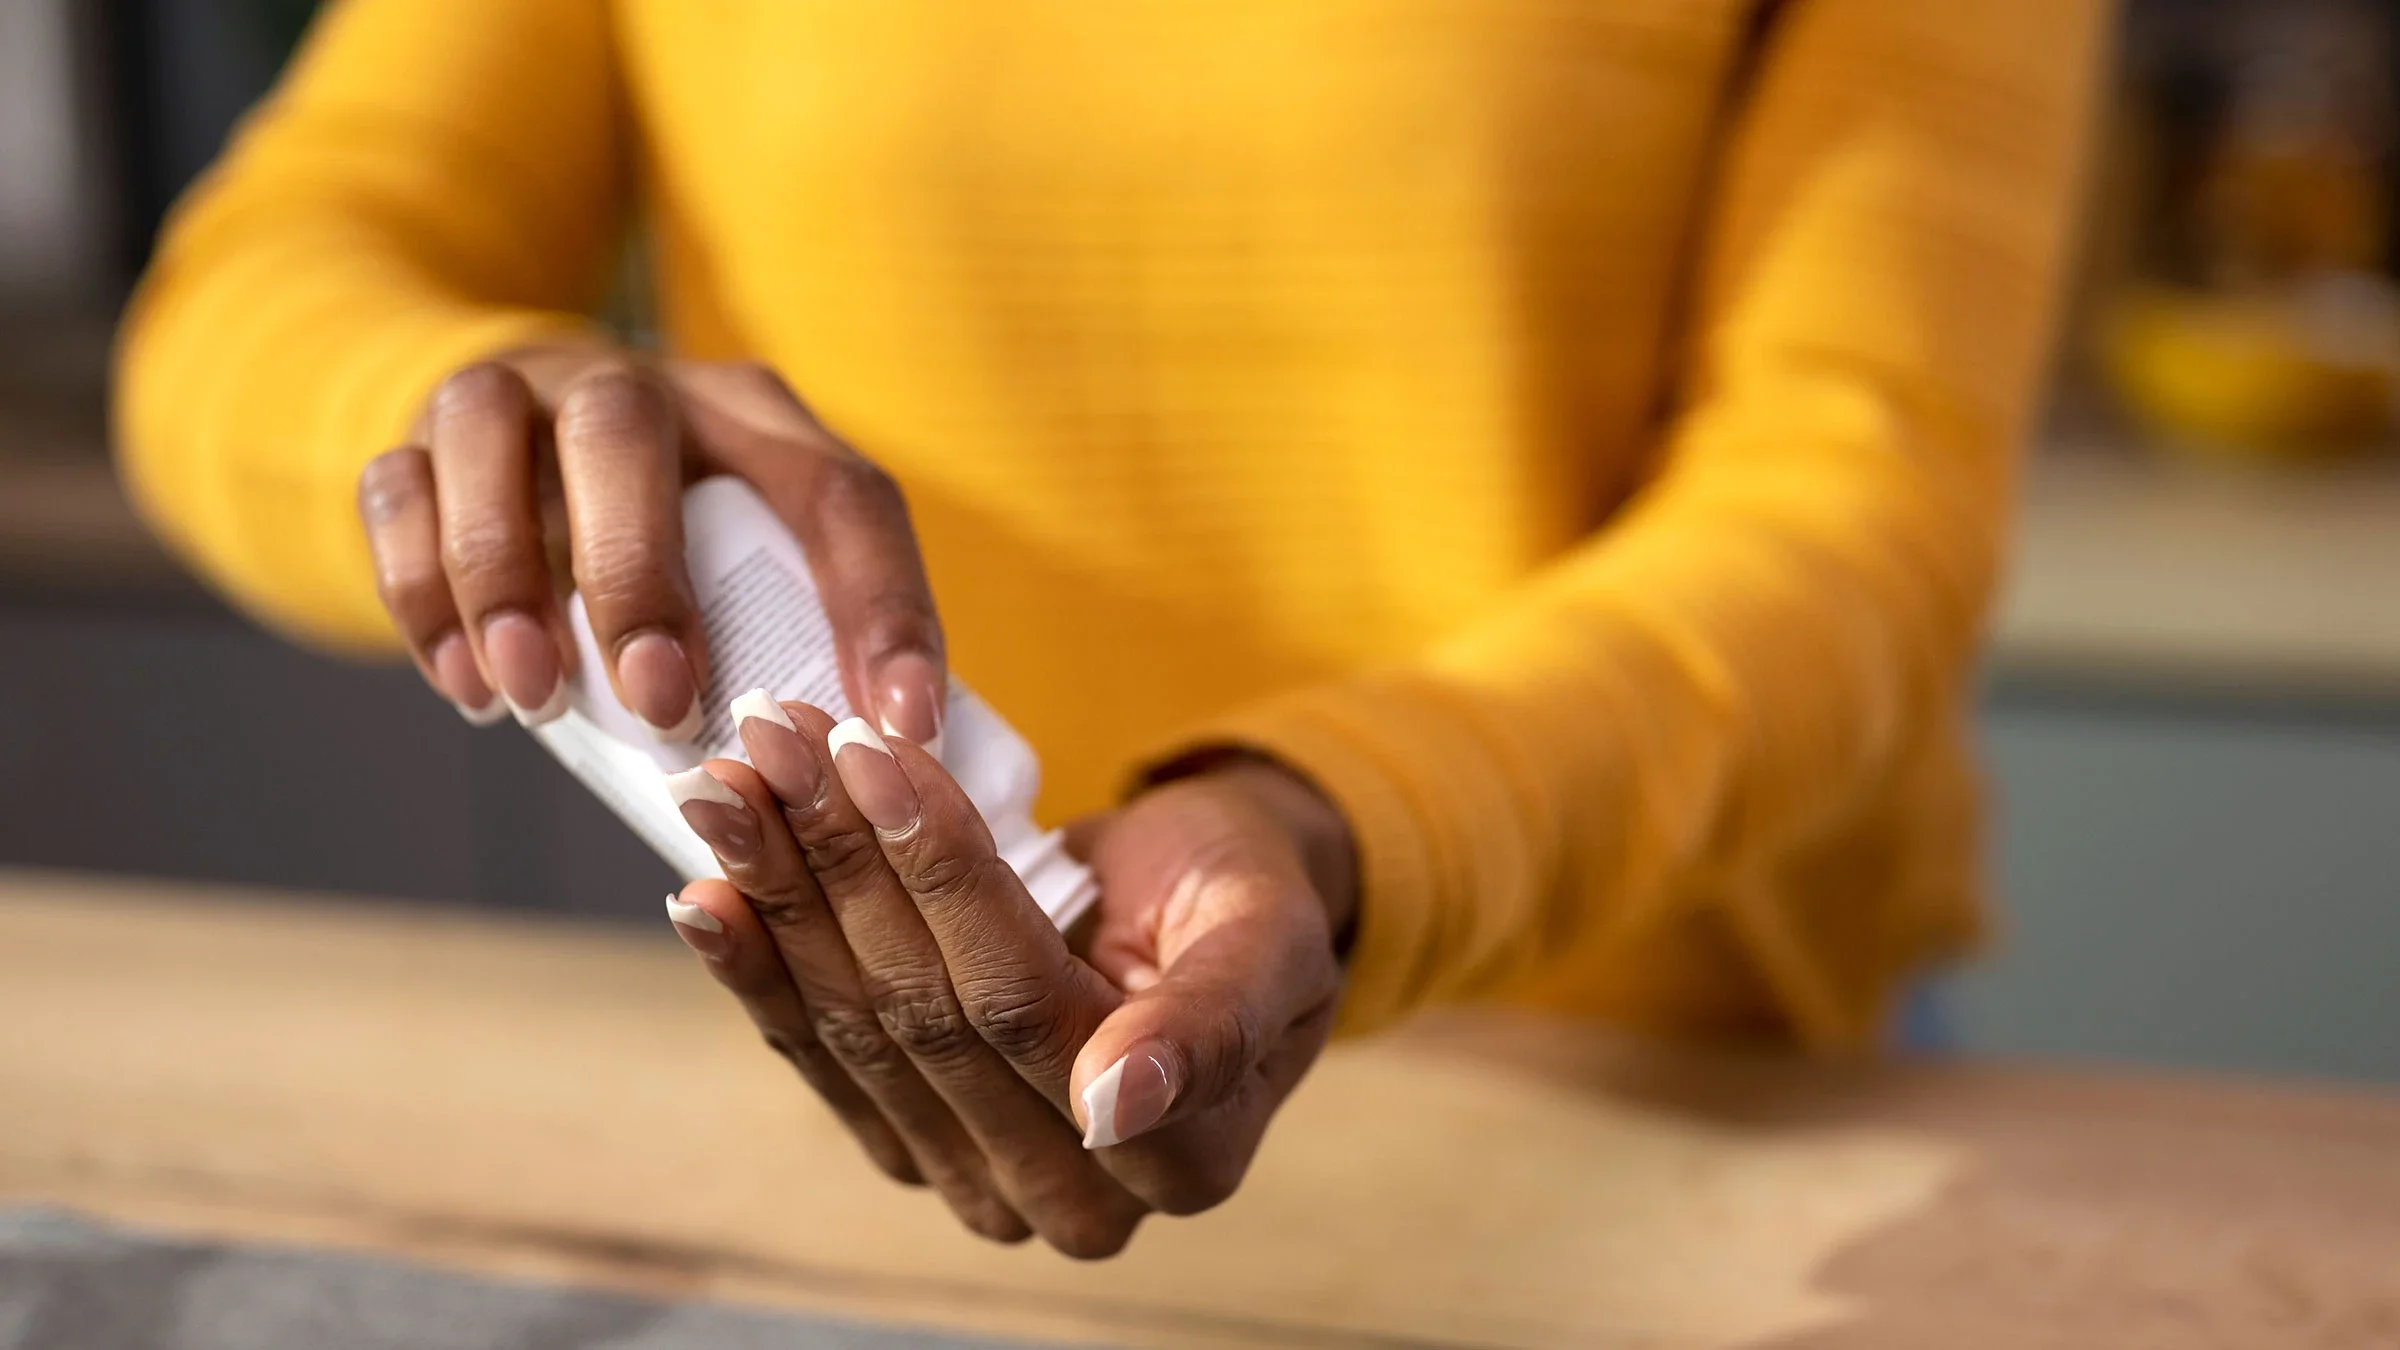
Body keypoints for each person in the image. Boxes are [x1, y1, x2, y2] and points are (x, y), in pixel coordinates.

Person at [114, 0, 2105, 1257]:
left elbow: (1859, 504)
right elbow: (251, 302)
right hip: (868, 1080)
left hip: (1664, 1117)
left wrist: (1342, 820)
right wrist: (486, 441)